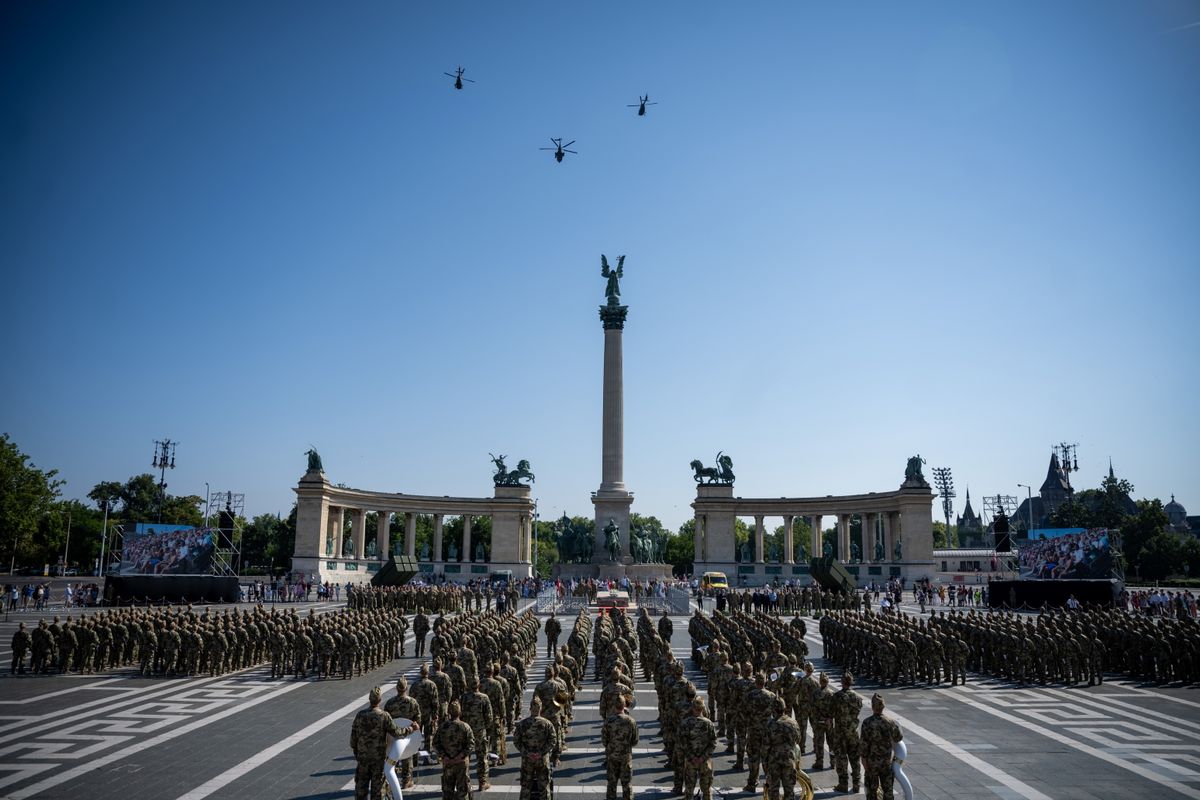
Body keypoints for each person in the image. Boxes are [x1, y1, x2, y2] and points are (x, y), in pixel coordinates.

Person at [351, 686, 418, 800]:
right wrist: (411, 729)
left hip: (363, 759)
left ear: (369, 699)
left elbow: (353, 740)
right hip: (378, 760)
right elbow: (397, 732)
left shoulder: (360, 715)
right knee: (377, 792)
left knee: (361, 791)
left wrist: (358, 753)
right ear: (380, 700)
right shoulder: (384, 716)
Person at [860, 692, 903, 800]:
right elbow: (899, 738)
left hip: (871, 763)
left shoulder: (867, 723)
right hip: (886, 763)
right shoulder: (890, 722)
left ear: (872, 707)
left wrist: (864, 760)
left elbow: (864, 745)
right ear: (883, 706)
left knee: (871, 792)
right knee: (888, 791)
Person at [513, 696, 557, 800]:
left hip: (527, 759)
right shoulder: (547, 724)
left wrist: (526, 753)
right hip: (542, 759)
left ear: (530, 708)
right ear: (541, 708)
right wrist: (541, 753)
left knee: (526, 787)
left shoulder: (522, 724)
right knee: (544, 787)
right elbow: (553, 740)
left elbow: (516, 741)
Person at [433, 701, 475, 800]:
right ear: (460, 712)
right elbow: (471, 744)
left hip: (447, 763)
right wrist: (461, 756)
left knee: (447, 792)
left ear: (449, 713)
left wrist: (444, 756)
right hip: (461, 763)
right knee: (462, 792)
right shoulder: (465, 727)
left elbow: (435, 744)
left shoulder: (442, 727)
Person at [602, 694, 639, 800]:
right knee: (627, 784)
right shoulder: (631, 721)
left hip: (612, 757)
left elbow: (604, 741)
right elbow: (635, 741)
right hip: (626, 757)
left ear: (614, 706)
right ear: (624, 705)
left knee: (611, 784)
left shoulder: (608, 721)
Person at [679, 696, 717, 800]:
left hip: (691, 761)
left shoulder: (685, 723)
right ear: (702, 709)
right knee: (707, 791)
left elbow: (682, 743)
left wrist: (692, 757)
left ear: (693, 708)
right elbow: (713, 743)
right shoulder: (709, 724)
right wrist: (702, 757)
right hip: (705, 762)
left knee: (689, 791)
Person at [832, 672, 863, 794]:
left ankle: (843, 784)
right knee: (855, 759)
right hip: (853, 733)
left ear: (842, 682)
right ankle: (856, 784)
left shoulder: (836, 697)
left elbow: (831, 711)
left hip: (840, 733)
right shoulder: (857, 698)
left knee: (841, 758)